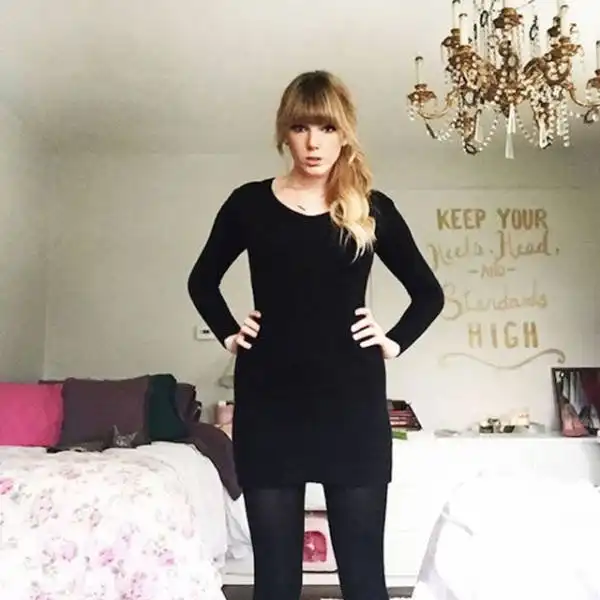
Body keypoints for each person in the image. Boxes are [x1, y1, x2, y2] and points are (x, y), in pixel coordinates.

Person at [187, 70, 444, 600]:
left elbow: (428, 293)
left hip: (352, 405)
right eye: (301, 127)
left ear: (344, 133)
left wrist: (392, 340)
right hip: (269, 403)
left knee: (364, 580)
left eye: (326, 128)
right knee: (275, 581)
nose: (313, 142)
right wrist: (229, 334)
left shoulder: (371, 207)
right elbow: (202, 281)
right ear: (284, 133)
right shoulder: (248, 204)